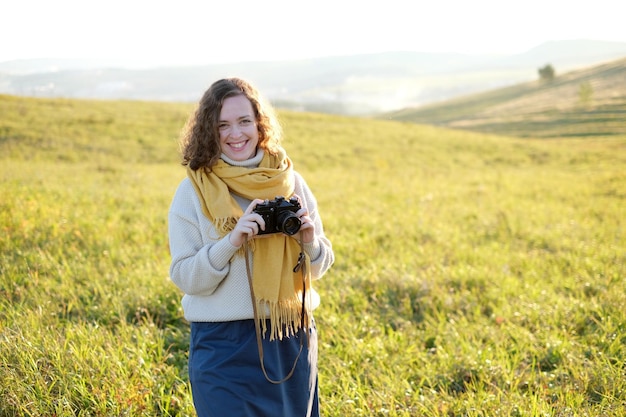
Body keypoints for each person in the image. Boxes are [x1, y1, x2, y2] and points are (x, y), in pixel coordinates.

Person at [168, 77, 334, 417]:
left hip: (291, 336)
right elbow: (185, 277)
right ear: (208, 131)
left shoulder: (289, 181)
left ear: (260, 124)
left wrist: (308, 242)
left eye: (244, 121)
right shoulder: (194, 191)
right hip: (223, 344)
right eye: (222, 125)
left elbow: (318, 267)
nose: (236, 134)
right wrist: (231, 242)